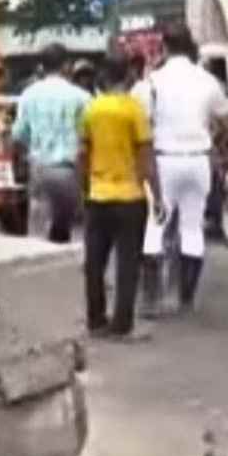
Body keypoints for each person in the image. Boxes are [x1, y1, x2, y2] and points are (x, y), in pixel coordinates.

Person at [131, 25, 228, 315]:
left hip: (164, 161)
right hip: (198, 161)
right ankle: (185, 298)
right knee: (192, 228)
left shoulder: (151, 82)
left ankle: (151, 297)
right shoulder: (208, 81)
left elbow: (137, 118)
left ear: (164, 48)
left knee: (155, 225)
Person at [77, 55, 163, 339]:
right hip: (130, 198)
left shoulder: (91, 110)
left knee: (94, 263)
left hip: (98, 196)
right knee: (127, 264)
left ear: (103, 77)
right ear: (127, 77)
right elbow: (146, 158)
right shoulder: (134, 110)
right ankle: (121, 324)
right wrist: (157, 196)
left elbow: (83, 155)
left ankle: (95, 320)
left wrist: (84, 190)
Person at [11, 43, 92, 243]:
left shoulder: (29, 95)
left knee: (38, 238)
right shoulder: (82, 98)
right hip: (71, 170)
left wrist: (21, 164)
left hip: (40, 169)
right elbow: (90, 137)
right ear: (67, 66)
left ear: (42, 67)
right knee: (75, 233)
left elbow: (19, 136)